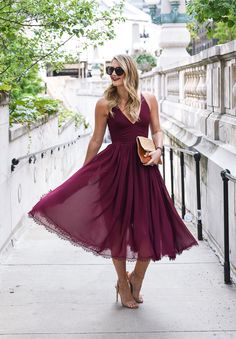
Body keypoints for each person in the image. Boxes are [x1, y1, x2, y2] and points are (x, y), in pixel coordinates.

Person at [28, 54, 198, 310]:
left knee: (148, 226)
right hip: (115, 169)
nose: (113, 74)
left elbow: (157, 129)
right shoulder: (104, 104)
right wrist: (84, 174)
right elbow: (96, 140)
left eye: (118, 69)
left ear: (129, 71)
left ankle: (137, 277)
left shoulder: (149, 99)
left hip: (144, 168)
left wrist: (159, 150)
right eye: (110, 70)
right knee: (118, 227)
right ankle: (122, 282)